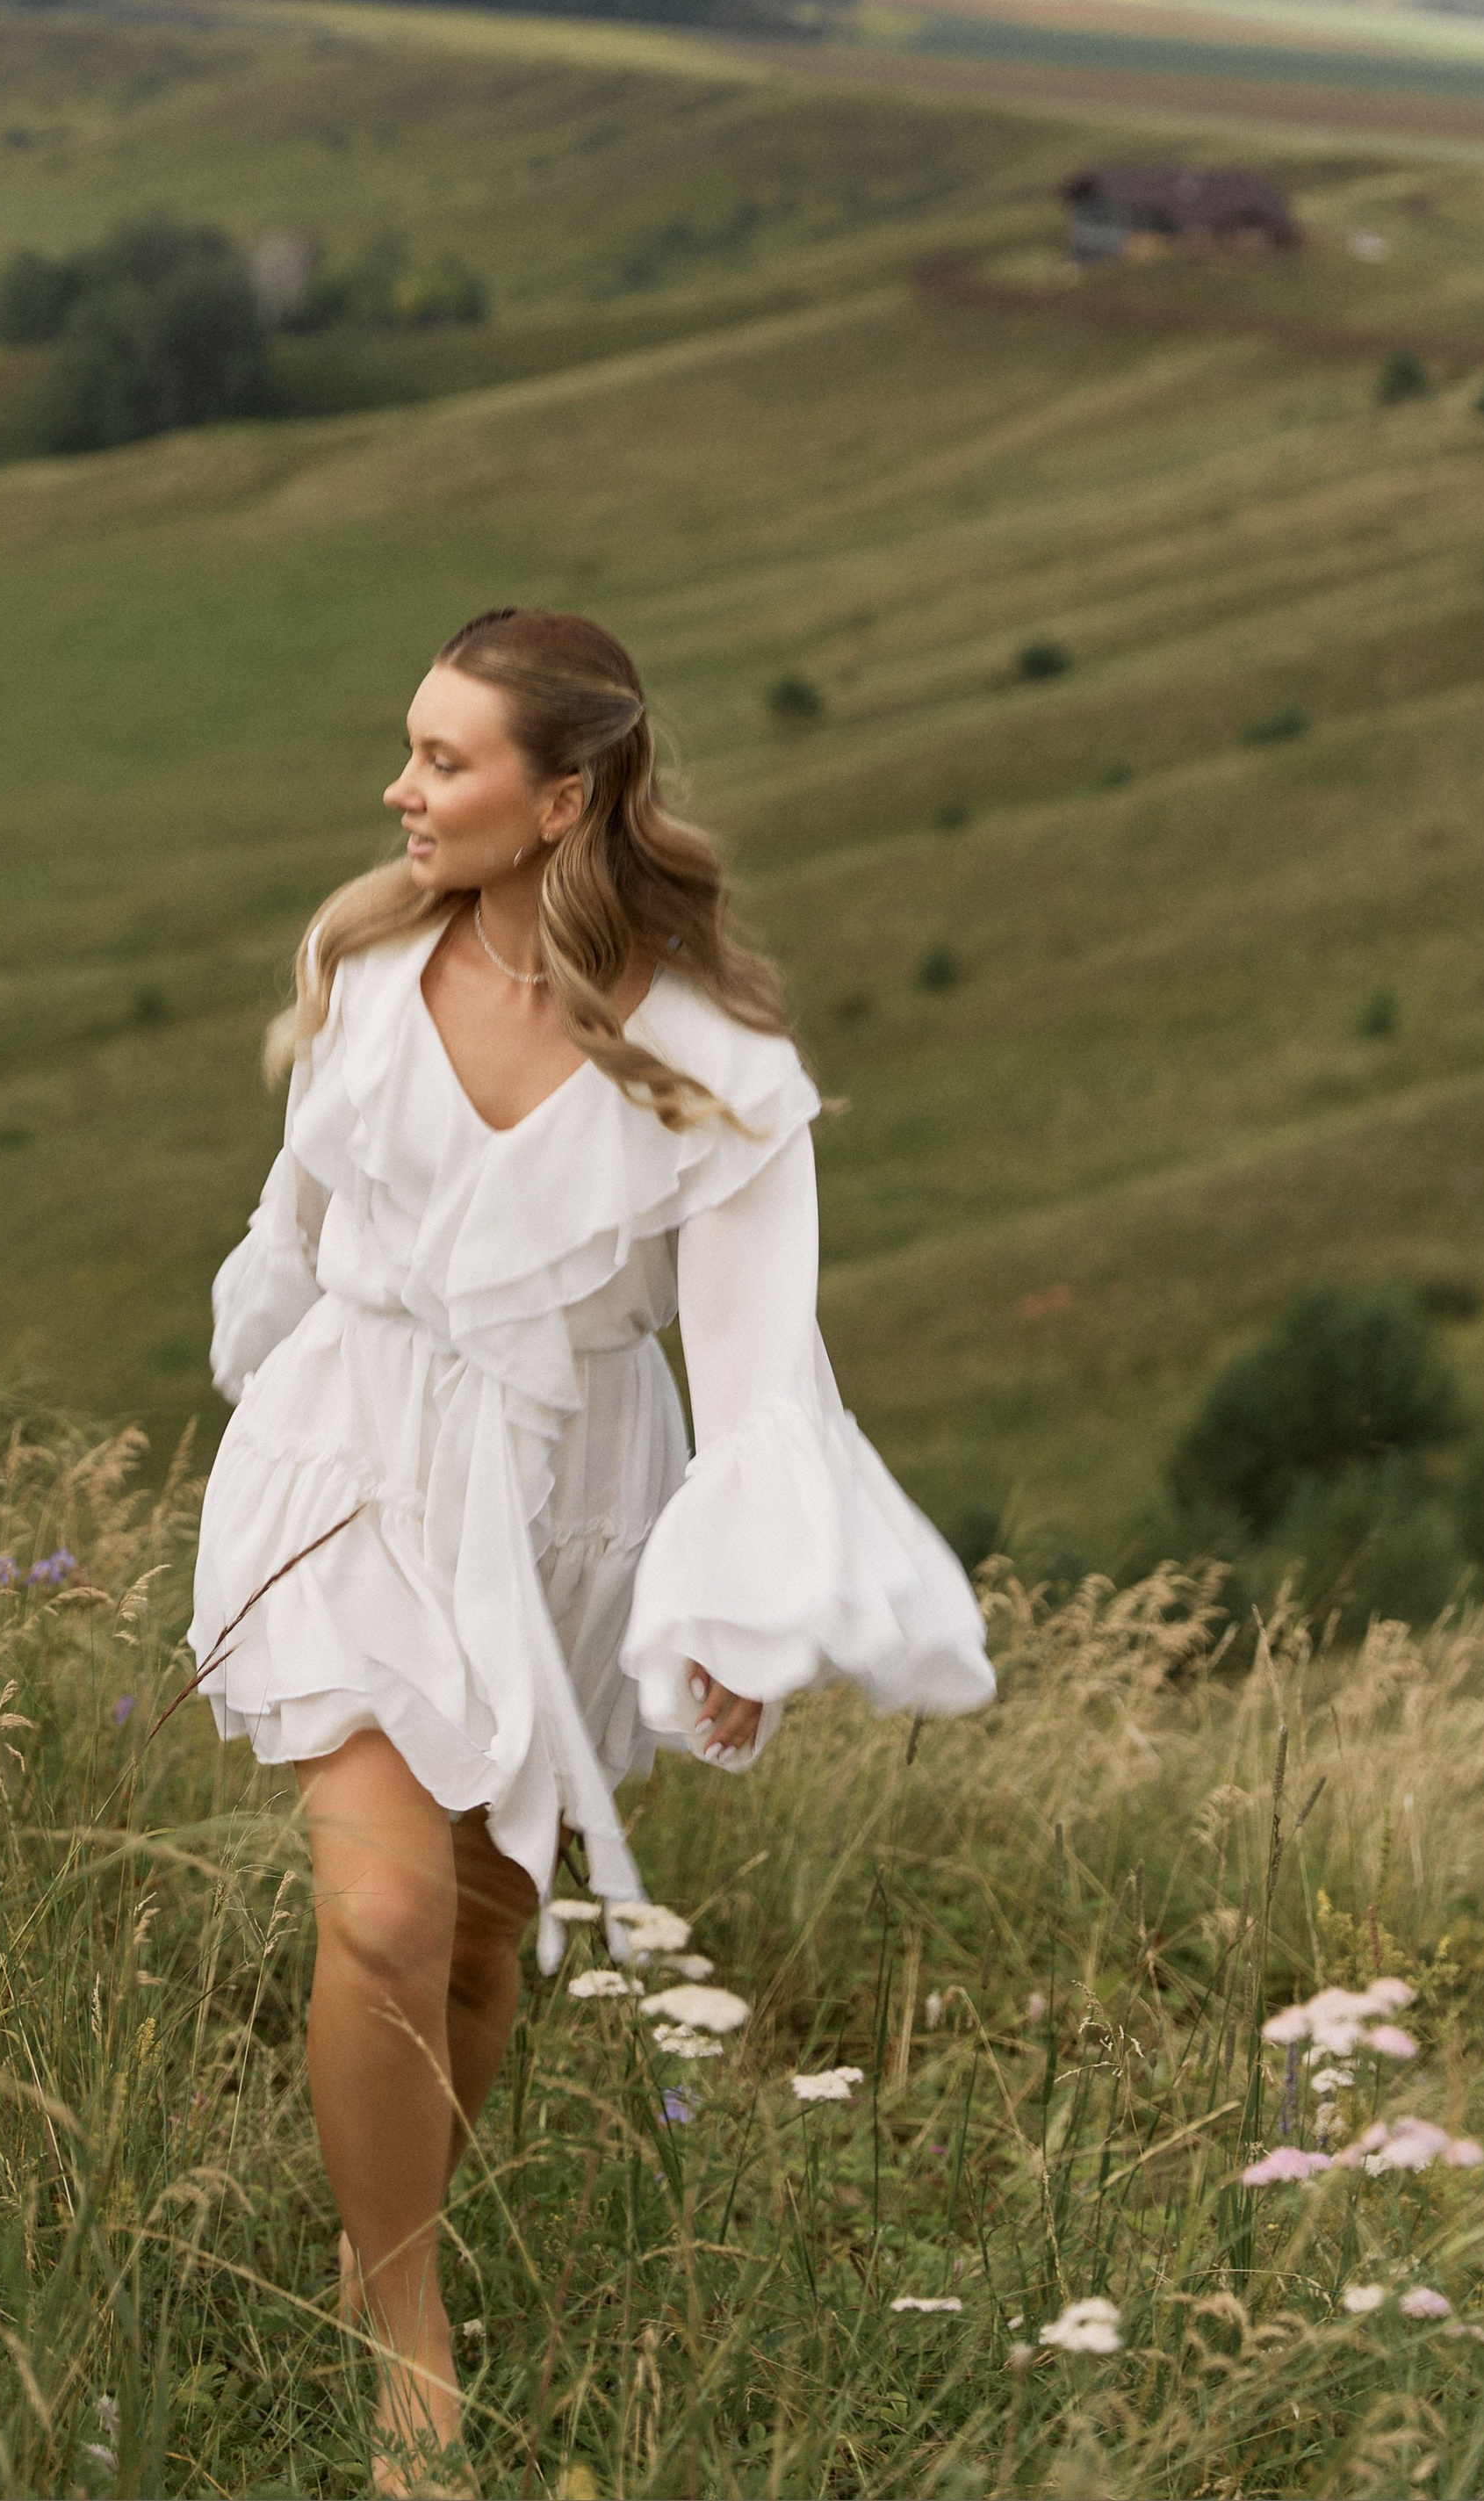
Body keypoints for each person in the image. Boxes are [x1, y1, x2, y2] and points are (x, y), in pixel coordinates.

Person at [190, 608, 993, 2486]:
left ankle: (384, 2216)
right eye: (406, 746)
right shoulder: (359, 956)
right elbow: (292, 1224)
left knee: (477, 1941)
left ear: (564, 800)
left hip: (567, 1501)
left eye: (443, 761)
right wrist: (264, 1397)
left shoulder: (712, 1053)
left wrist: (737, 1589)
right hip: (351, 1458)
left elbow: (752, 1361)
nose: (399, 789)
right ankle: (403, 2333)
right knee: (380, 1910)